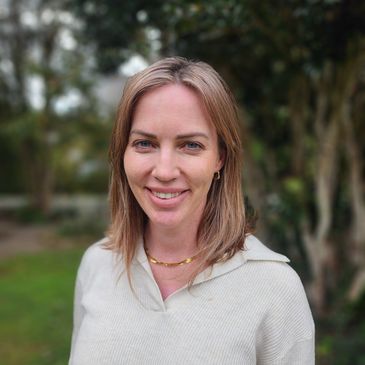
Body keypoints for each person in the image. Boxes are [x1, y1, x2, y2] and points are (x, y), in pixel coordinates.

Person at [69, 57, 315, 365]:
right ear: (123, 153)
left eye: (191, 145)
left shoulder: (274, 288)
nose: (164, 170)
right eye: (145, 143)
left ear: (220, 158)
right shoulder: (98, 264)